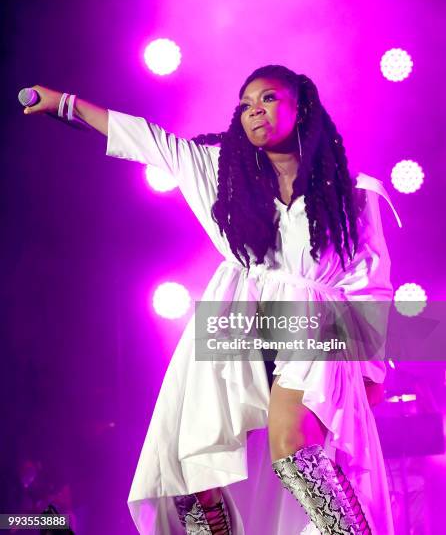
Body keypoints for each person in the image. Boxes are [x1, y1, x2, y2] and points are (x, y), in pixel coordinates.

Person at [23, 65, 402, 534]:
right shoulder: (224, 172)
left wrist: (373, 369)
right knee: (189, 465)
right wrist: (64, 104)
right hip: (237, 318)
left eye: (267, 99)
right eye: (245, 105)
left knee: (294, 447)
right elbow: (146, 140)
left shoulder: (352, 194)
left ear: (301, 105)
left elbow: (372, 285)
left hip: (317, 324)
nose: (254, 111)